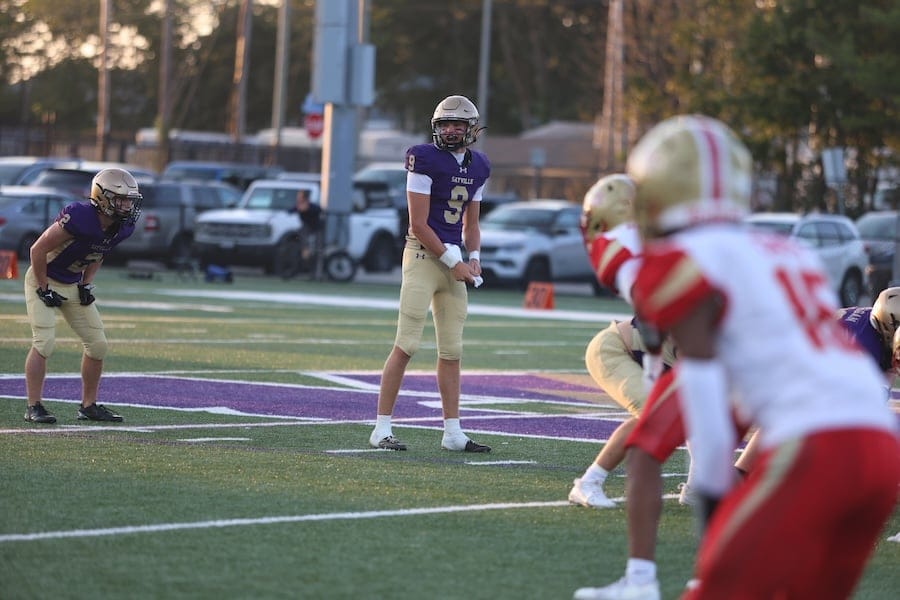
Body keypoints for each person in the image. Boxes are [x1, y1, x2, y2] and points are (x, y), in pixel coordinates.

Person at [582, 114, 899, 599]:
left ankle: (639, 583)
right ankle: (639, 582)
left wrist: (713, 499)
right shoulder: (787, 251)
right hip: (879, 448)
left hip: (816, 445)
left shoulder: (686, 261)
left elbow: (703, 376)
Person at [368, 94, 491, 452]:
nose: (450, 130)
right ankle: (381, 428)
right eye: (444, 124)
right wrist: (455, 263)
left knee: (452, 350)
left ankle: (452, 433)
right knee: (406, 343)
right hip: (422, 257)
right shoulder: (423, 159)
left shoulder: (480, 166)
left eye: (457, 124)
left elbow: (471, 224)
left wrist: (474, 257)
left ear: (471, 129)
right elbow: (418, 225)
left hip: (453, 259)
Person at [23, 167, 143, 424]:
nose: (127, 206)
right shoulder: (80, 216)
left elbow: (98, 252)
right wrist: (43, 288)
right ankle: (34, 406)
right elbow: (37, 250)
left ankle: (88, 406)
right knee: (44, 342)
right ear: (102, 197)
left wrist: (86, 284)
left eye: (129, 200)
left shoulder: (123, 226)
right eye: (121, 199)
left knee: (98, 345)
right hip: (43, 277)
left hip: (71, 282)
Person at [290, 188, 323, 273]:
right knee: (301, 237)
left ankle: (316, 269)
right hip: (305, 229)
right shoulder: (299, 206)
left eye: (300, 196)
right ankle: (304, 254)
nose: (298, 198)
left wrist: (307, 209)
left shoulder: (311, 206)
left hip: (316, 229)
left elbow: (319, 210)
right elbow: (290, 211)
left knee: (318, 248)